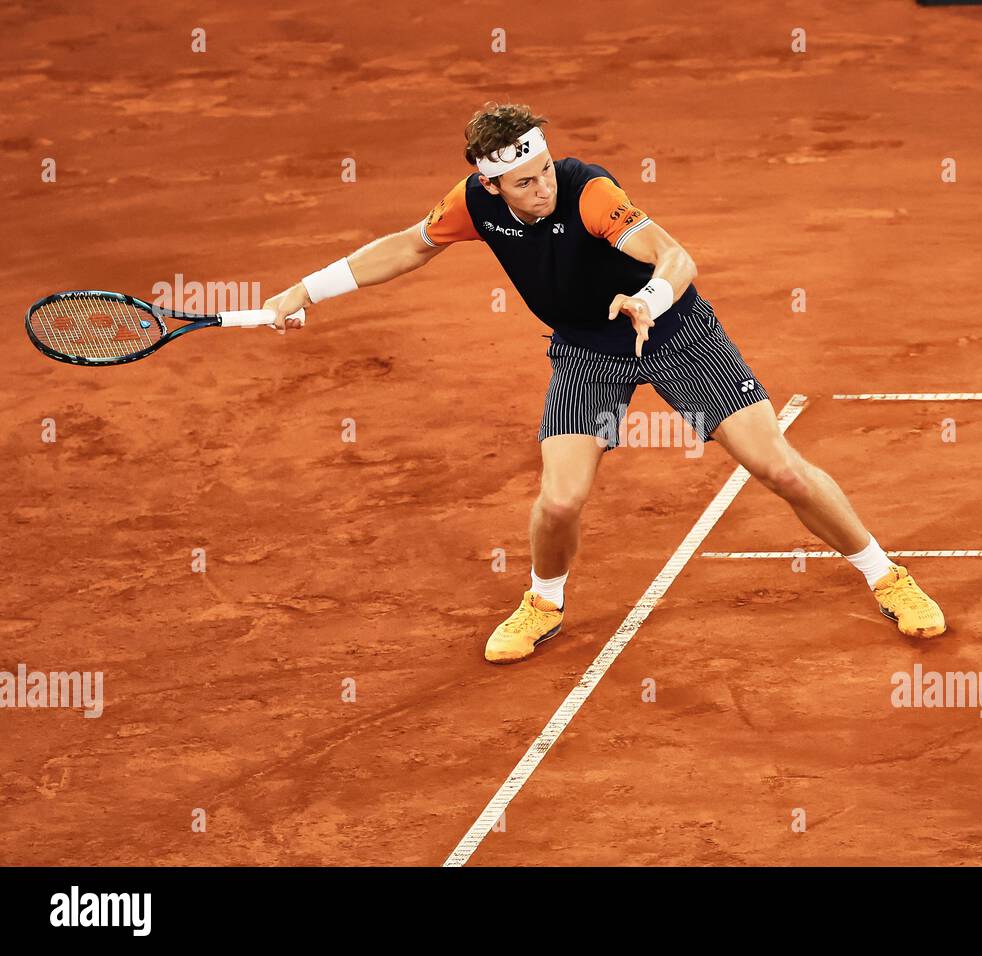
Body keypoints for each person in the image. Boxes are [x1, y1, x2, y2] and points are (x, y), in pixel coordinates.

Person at [261, 102, 947, 663]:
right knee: (559, 501)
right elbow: (408, 246)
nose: (542, 187)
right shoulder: (473, 204)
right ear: (492, 185)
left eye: (543, 170)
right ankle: (543, 602)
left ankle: (886, 575)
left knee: (780, 469)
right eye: (524, 182)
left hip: (678, 336)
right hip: (588, 354)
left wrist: (649, 299)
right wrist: (304, 290)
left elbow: (674, 255)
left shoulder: (588, 191)